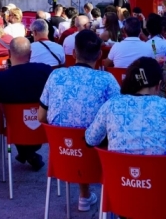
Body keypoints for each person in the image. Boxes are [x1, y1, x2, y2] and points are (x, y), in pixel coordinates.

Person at [86, 57, 166, 218]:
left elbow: (90, 139)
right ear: (158, 85)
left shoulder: (111, 105)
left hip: (121, 190)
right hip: (160, 194)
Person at [39, 30, 120, 211]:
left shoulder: (56, 76)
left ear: (74, 53)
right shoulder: (107, 79)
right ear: (100, 55)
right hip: (96, 157)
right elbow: (118, 120)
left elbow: (40, 117)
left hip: (62, 156)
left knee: (76, 130)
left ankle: (84, 195)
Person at [0, 37, 53, 171]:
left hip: (14, 129)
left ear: (9, 54)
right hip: (44, 130)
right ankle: (29, 154)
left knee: (14, 120)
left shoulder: (0, 78)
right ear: (30, 54)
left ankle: (27, 153)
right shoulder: (46, 71)